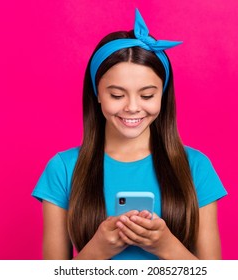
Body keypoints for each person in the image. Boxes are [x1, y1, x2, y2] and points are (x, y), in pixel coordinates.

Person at [32, 9, 227, 260]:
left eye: (147, 95)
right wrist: (98, 249)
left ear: (163, 96)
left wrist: (166, 246)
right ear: (97, 94)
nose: (132, 107)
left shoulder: (196, 167)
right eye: (116, 95)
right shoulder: (63, 169)